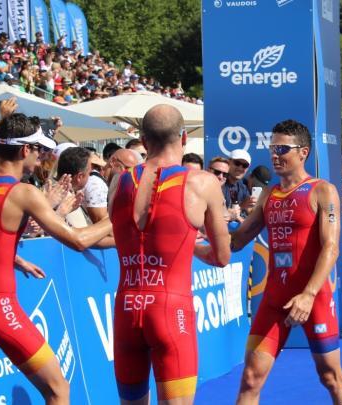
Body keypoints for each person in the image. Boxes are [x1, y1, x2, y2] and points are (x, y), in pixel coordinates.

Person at [0, 113, 113, 405]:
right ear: (25, 150)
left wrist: (12, 258)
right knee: (58, 389)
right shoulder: (24, 192)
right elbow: (78, 240)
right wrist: (119, 214)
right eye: (39, 150)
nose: (41, 158)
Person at [107, 105, 230, 404]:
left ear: (144, 141)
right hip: (170, 309)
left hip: (126, 308)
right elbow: (222, 256)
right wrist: (196, 248)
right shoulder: (202, 183)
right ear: (184, 137)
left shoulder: (119, 182)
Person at [230, 119, 342, 404]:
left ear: (303, 152)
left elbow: (331, 247)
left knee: (330, 376)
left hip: (314, 298)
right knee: (251, 377)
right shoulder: (269, 195)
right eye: (272, 148)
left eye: (282, 148)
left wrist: (309, 295)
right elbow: (236, 241)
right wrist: (191, 237)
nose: (275, 154)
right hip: (275, 299)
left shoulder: (323, 190)